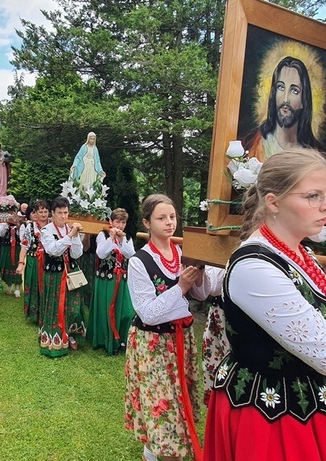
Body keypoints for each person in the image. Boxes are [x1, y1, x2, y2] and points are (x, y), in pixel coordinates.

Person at [203, 149, 326, 461]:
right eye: (313, 195)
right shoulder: (255, 266)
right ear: (273, 201)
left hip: (306, 406)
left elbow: (321, 327)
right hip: (270, 418)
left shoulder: (297, 252)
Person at [125, 194, 221, 461]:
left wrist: (199, 276)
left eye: (172, 217)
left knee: (178, 400)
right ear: (146, 222)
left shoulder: (182, 253)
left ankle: (152, 451)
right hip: (152, 344)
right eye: (161, 218)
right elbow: (146, 313)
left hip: (181, 338)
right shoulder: (138, 262)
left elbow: (201, 295)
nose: (169, 223)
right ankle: (163, 451)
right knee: (161, 402)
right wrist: (180, 287)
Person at [241, 56, 321, 161]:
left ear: (303, 101)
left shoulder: (315, 157)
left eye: (294, 90)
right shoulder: (251, 143)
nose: (285, 99)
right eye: (281, 87)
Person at [39, 196, 87, 357]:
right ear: (52, 213)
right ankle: (54, 337)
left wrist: (75, 237)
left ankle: (70, 332)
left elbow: (76, 253)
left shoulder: (70, 228)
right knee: (55, 306)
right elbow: (52, 250)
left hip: (71, 273)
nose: (63, 216)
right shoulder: (46, 231)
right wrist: (69, 236)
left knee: (73, 306)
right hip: (54, 273)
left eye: (66, 212)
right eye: (60, 213)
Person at [87, 208, 136, 355]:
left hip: (122, 280)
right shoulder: (102, 235)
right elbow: (101, 253)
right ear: (111, 222)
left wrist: (121, 240)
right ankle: (106, 340)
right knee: (106, 310)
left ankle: (121, 339)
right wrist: (111, 239)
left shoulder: (127, 238)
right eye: (117, 222)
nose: (120, 225)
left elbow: (131, 255)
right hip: (105, 279)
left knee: (126, 311)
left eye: (123, 222)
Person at [17, 200, 50, 322]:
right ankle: (34, 313)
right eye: (40, 212)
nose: (43, 214)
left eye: (45, 211)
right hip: (33, 260)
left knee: (46, 286)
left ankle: (46, 313)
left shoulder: (52, 226)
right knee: (33, 284)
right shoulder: (30, 227)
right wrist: (21, 263)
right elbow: (24, 246)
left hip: (48, 261)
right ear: (35, 213)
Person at [0, 220, 23, 297]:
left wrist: (17, 227)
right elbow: (0, 234)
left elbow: (22, 238)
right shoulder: (4, 225)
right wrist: (5, 226)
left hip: (17, 249)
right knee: (7, 266)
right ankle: (9, 286)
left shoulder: (21, 225)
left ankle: (17, 290)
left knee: (16, 267)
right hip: (7, 249)